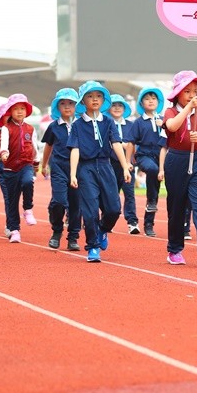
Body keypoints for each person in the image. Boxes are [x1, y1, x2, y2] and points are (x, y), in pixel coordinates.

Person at [68, 80, 131, 263]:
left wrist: (125, 166)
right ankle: (93, 246)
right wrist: (73, 173)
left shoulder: (109, 122)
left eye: (98, 96)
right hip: (86, 169)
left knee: (113, 208)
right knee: (89, 211)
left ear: (104, 100)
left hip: (106, 166)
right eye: (90, 96)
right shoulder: (78, 125)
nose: (94, 100)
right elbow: (75, 149)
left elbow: (117, 144)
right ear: (83, 101)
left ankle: (102, 230)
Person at [161, 71, 197, 266]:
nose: (192, 95)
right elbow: (173, 127)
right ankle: (174, 249)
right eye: (187, 92)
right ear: (177, 94)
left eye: (195, 92)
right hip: (176, 161)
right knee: (177, 208)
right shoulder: (171, 112)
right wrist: (187, 110)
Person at [40, 88, 82, 251]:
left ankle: (73, 237)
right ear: (57, 107)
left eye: (71, 103)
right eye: (63, 103)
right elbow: (48, 147)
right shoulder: (53, 127)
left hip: (78, 168)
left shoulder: (81, 125)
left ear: (76, 106)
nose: (67, 107)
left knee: (75, 203)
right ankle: (56, 231)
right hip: (58, 166)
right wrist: (44, 165)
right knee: (59, 201)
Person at [0, 94, 38, 244]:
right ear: (10, 111)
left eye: (22, 108)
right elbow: (4, 143)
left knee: (28, 182)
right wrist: (4, 152)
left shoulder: (30, 128)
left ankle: (28, 209)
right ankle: (14, 230)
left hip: (26, 164)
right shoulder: (6, 128)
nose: (20, 112)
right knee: (12, 201)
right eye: (16, 109)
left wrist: (37, 160)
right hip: (9, 168)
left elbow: (34, 146)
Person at [128, 87, 166, 237]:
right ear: (141, 103)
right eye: (147, 99)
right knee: (152, 170)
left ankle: (151, 222)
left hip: (162, 155)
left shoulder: (164, 120)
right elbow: (131, 142)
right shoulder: (138, 122)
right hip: (144, 155)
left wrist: (163, 125)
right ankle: (150, 205)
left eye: (153, 98)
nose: (150, 101)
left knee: (170, 185)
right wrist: (127, 162)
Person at [109, 94, 140, 234]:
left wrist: (129, 161)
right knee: (110, 193)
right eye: (114, 105)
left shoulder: (131, 125)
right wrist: (123, 144)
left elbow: (132, 144)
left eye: (120, 105)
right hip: (110, 164)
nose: (117, 108)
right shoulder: (106, 124)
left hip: (128, 165)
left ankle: (132, 222)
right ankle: (108, 219)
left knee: (129, 193)